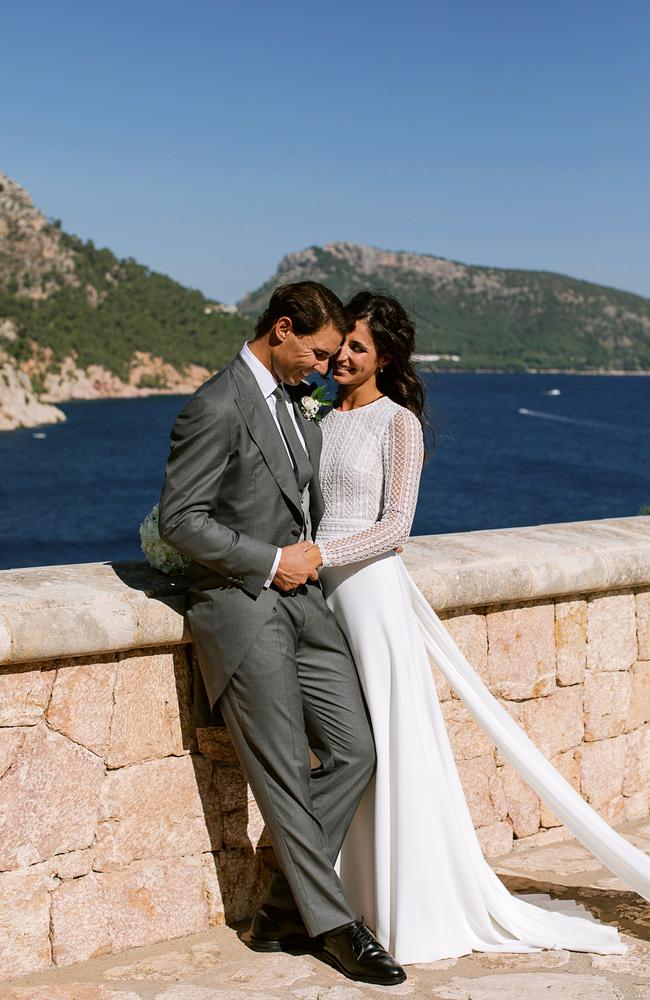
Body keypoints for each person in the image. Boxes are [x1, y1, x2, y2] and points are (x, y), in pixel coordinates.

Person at [308, 290, 650, 964]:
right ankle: (343, 894)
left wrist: (318, 554)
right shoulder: (314, 410)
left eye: (358, 347)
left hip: (369, 596)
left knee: (386, 743)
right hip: (318, 598)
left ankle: (403, 903)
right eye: (340, 342)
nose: (342, 356)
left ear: (385, 359)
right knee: (343, 746)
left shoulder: (397, 422)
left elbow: (395, 528)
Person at [158, 281, 406, 986]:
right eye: (320, 353)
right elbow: (181, 519)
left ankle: (278, 907)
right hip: (242, 608)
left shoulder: (300, 407)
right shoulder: (214, 404)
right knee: (286, 778)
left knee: (357, 751)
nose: (327, 368)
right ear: (284, 329)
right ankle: (334, 925)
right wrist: (269, 562)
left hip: (307, 606)